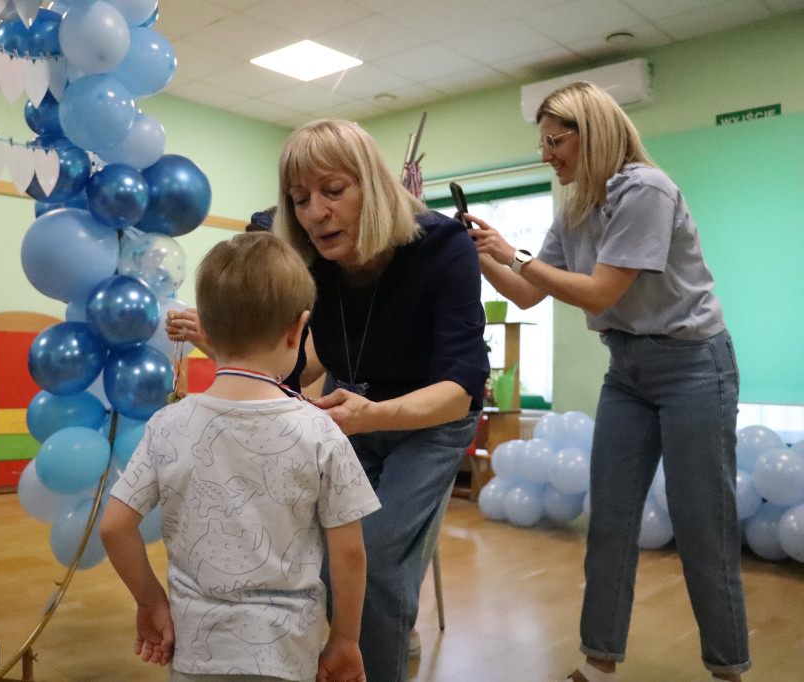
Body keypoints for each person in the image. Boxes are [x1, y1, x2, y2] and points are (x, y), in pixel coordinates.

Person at [168, 119, 489, 682]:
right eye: (300, 199)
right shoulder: (303, 248)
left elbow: (460, 388)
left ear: (373, 185)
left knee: (381, 558)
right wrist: (228, 344)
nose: (315, 213)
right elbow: (292, 356)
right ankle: (375, 637)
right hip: (352, 412)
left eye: (333, 192)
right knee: (328, 555)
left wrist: (374, 415)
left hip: (432, 419)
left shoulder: (443, 248)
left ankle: (377, 651)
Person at [465, 81, 749, 682]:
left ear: (588, 134)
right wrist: (480, 252)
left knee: (704, 526)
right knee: (611, 521)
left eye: (553, 141)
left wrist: (511, 253)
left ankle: (728, 668)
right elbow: (524, 292)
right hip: (627, 370)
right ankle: (598, 663)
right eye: (541, 143)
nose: (546, 155)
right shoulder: (573, 205)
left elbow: (598, 291)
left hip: (693, 367)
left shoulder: (644, 189)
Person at [100, 232, 381, 682]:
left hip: (196, 652)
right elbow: (349, 552)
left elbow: (114, 527)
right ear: (298, 329)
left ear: (204, 331)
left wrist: (151, 602)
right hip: (288, 654)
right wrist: (345, 640)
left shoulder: (167, 424)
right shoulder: (320, 430)